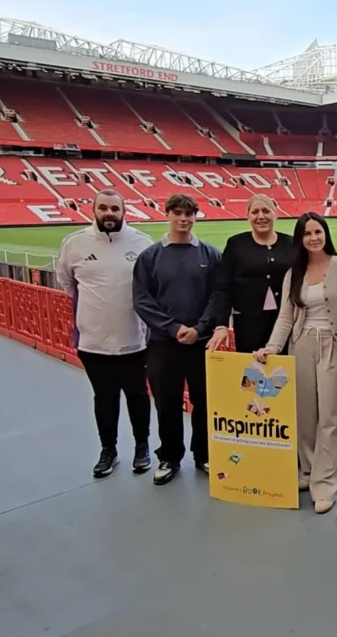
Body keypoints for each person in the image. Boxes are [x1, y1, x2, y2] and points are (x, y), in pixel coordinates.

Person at [254, 212, 337, 514]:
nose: (313, 237)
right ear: (300, 239)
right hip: (302, 344)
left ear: (325, 234)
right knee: (305, 414)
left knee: (331, 416)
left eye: (318, 231)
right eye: (307, 233)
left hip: (335, 345)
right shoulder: (293, 273)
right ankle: (308, 471)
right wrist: (272, 347)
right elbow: (286, 316)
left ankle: (326, 483)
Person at [55, 188, 155, 478]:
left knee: (138, 396)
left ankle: (142, 446)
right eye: (103, 208)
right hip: (93, 342)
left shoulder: (142, 243)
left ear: (124, 211)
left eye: (114, 208)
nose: (109, 213)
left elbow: (150, 287)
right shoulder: (74, 244)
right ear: (94, 211)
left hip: (135, 340)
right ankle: (108, 450)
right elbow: (67, 283)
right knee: (104, 398)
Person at [132, 193, 221, 486]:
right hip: (162, 344)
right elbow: (143, 301)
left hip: (201, 342)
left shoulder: (210, 254)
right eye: (178, 213)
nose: (184, 219)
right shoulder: (150, 256)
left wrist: (200, 327)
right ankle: (169, 456)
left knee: (204, 401)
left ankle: (203, 454)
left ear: (195, 216)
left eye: (189, 213)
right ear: (167, 214)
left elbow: (217, 297)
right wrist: (172, 328)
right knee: (167, 403)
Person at [207, 194, 294, 354]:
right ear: (248, 217)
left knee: (284, 372)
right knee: (251, 373)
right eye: (255, 212)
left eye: (266, 211)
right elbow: (223, 287)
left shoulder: (291, 243)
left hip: (285, 324)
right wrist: (221, 324)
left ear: (275, 214)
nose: (261, 216)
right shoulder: (236, 244)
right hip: (248, 325)